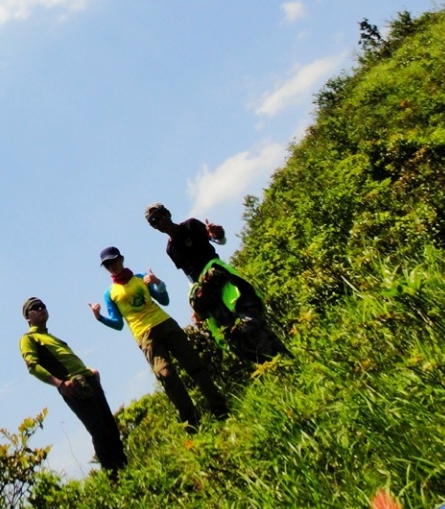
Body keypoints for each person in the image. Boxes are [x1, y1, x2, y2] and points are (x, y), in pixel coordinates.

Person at [89, 247, 228, 429]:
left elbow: (164, 300)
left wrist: (158, 283)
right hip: (144, 335)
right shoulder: (110, 294)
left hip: (165, 323)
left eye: (113, 261)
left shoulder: (140, 277)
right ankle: (192, 423)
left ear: (121, 259)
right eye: (107, 265)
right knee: (167, 376)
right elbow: (118, 323)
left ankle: (221, 411)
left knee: (195, 365)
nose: (112, 266)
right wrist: (99, 317)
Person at [144, 202, 289, 364]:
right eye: (154, 221)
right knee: (231, 336)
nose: (160, 221)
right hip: (205, 291)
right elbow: (189, 274)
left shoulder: (191, 225)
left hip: (223, 277)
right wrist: (196, 307)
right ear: (154, 227)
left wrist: (218, 234)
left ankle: (282, 358)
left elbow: (217, 239)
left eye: (161, 216)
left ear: (168, 213)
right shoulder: (170, 249)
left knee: (251, 320)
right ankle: (269, 366)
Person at [19, 297, 128, 476]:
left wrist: (89, 371)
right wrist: (60, 384)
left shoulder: (51, 337)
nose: (40, 309)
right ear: (27, 317)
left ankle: (124, 468)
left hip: (88, 380)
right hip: (74, 386)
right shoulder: (29, 338)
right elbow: (32, 366)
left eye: (42, 306)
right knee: (99, 430)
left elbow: (67, 359)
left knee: (110, 426)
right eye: (34, 308)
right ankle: (113, 475)